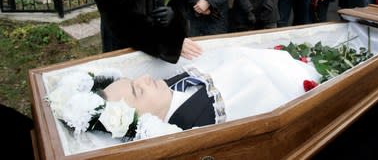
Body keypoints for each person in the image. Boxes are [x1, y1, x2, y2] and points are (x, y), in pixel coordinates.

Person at [47, 47, 319, 140]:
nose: (144, 79)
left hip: (284, 61)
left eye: (134, 81)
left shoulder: (167, 87)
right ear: (141, 121)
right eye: (136, 91)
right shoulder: (193, 122)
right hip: (291, 82)